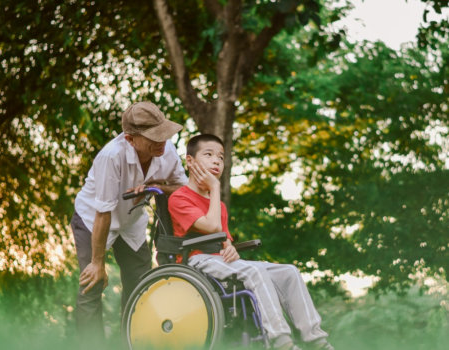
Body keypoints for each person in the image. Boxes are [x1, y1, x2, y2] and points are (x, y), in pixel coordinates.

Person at [168, 134, 334, 350]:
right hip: (197, 260)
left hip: (220, 260)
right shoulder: (179, 198)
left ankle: (317, 341)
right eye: (208, 155)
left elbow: (224, 238)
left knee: (289, 272)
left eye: (220, 157)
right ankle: (282, 342)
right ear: (189, 161)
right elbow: (212, 226)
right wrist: (215, 187)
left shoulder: (218, 206)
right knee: (254, 272)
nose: (216, 161)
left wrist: (231, 249)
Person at [70, 101, 188, 345]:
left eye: (163, 133)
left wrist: (157, 186)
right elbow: (104, 212)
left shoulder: (167, 150)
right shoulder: (111, 156)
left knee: (141, 284)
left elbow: (183, 188)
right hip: (93, 220)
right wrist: (97, 262)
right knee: (92, 285)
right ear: (130, 138)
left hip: (131, 221)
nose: (161, 141)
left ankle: (133, 343)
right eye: (153, 137)